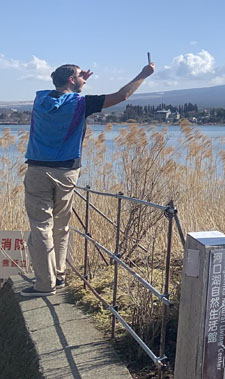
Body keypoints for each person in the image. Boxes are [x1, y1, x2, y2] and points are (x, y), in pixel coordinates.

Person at [20, 61, 155, 297]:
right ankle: (56, 277)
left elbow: (62, 97)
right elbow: (122, 95)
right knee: (60, 225)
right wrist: (143, 74)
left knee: (41, 225)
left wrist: (79, 81)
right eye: (80, 76)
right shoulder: (82, 103)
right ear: (72, 80)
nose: (84, 78)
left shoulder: (40, 100)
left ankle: (45, 282)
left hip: (37, 170)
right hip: (67, 171)